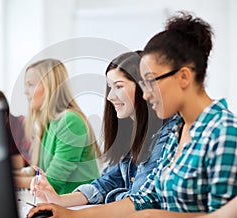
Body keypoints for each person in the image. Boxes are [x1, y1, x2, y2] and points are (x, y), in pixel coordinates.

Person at [27, 11, 237, 218]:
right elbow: (145, 198)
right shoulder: (178, 130)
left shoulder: (223, 132)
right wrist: (69, 213)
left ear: (183, 76)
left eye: (151, 81)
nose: (145, 94)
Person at [28, 52, 177, 206]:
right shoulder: (129, 133)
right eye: (109, 87)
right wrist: (58, 201)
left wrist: (106, 200)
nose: (110, 96)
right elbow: (108, 181)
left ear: (143, 88)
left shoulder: (164, 134)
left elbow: (137, 200)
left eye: (118, 86)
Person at [14, 58, 100, 194]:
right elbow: (36, 170)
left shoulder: (71, 122)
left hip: (79, 207)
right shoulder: (49, 123)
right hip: (60, 204)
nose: (25, 91)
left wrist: (7, 180)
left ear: (50, 87)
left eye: (31, 84)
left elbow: (51, 183)